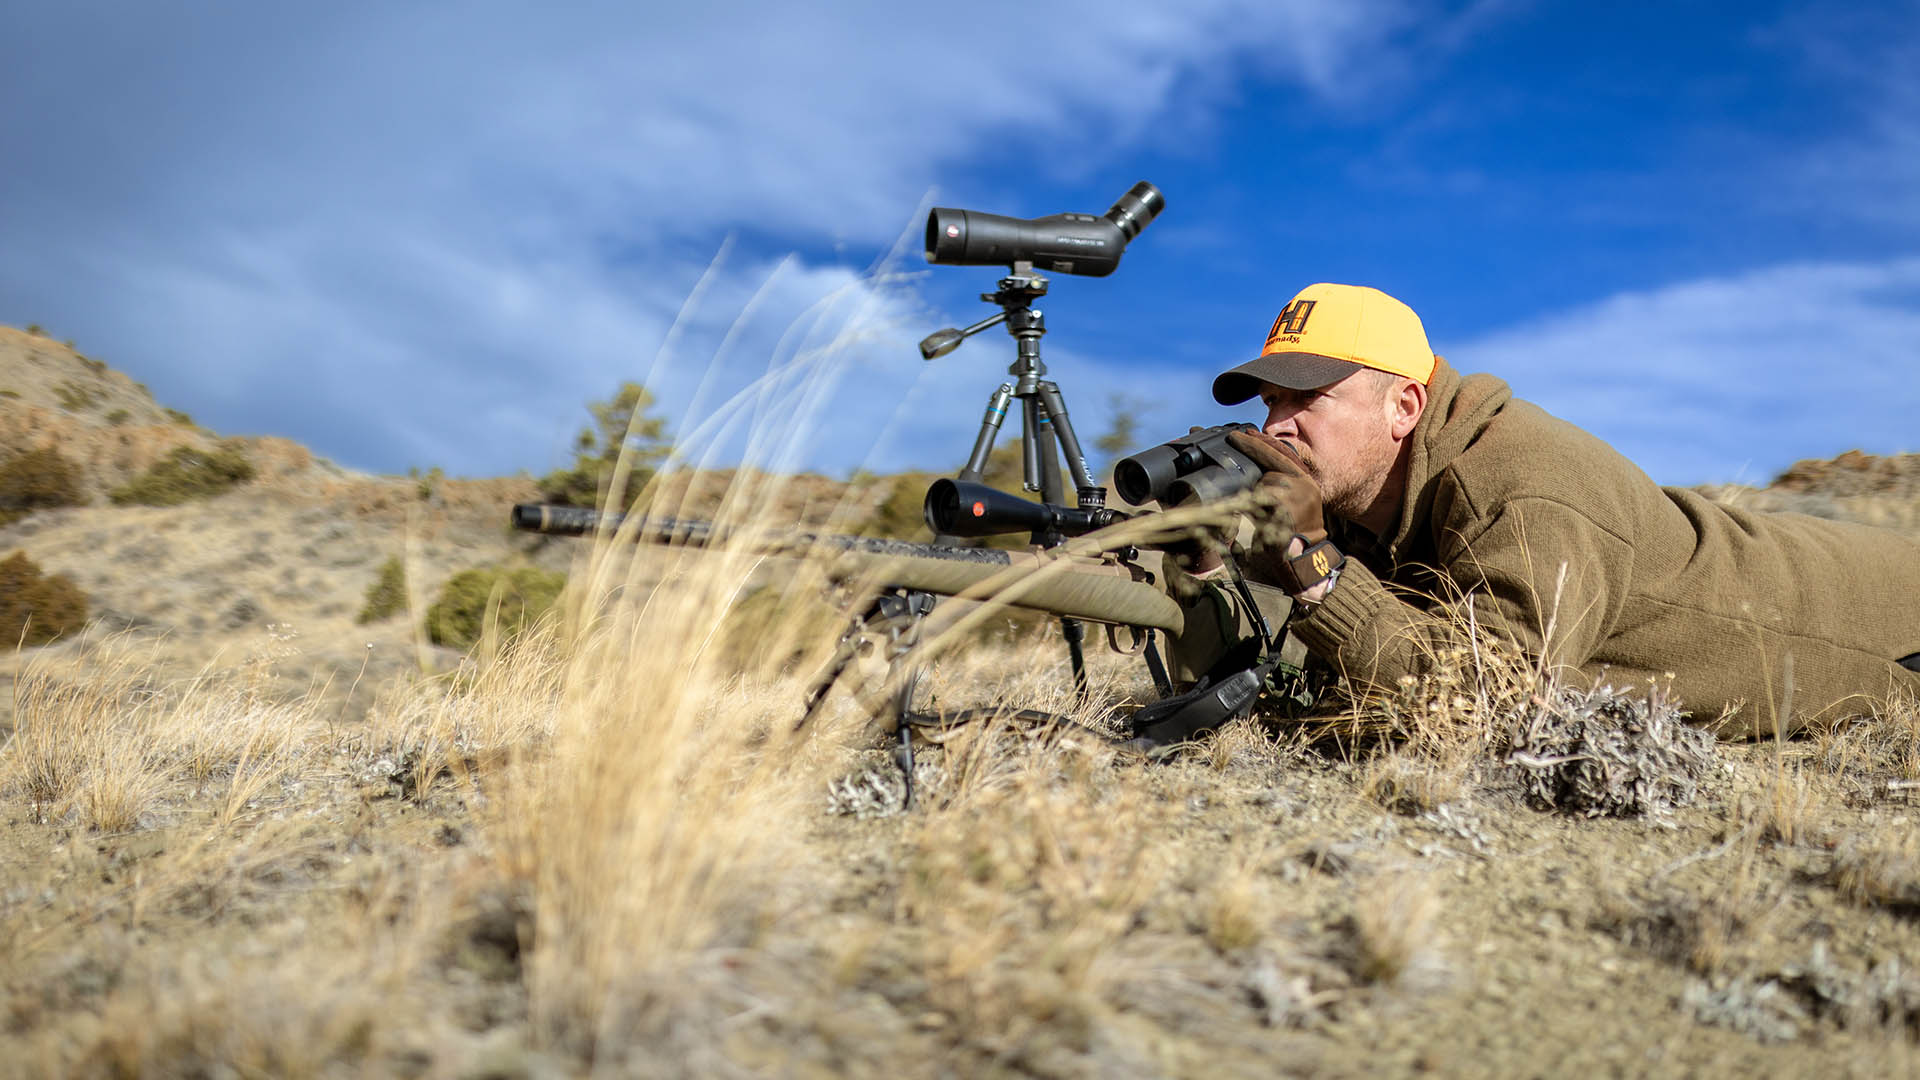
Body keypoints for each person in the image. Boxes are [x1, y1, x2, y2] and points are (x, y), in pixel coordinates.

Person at [1171, 282, 1920, 737]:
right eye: (1271, 401)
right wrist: (1199, 574)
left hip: (1886, 614)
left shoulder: (1523, 482)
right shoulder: (1349, 503)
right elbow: (1291, 684)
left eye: (1308, 397)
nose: (1276, 426)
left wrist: (1318, 574)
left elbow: (1483, 707)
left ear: (1405, 406)